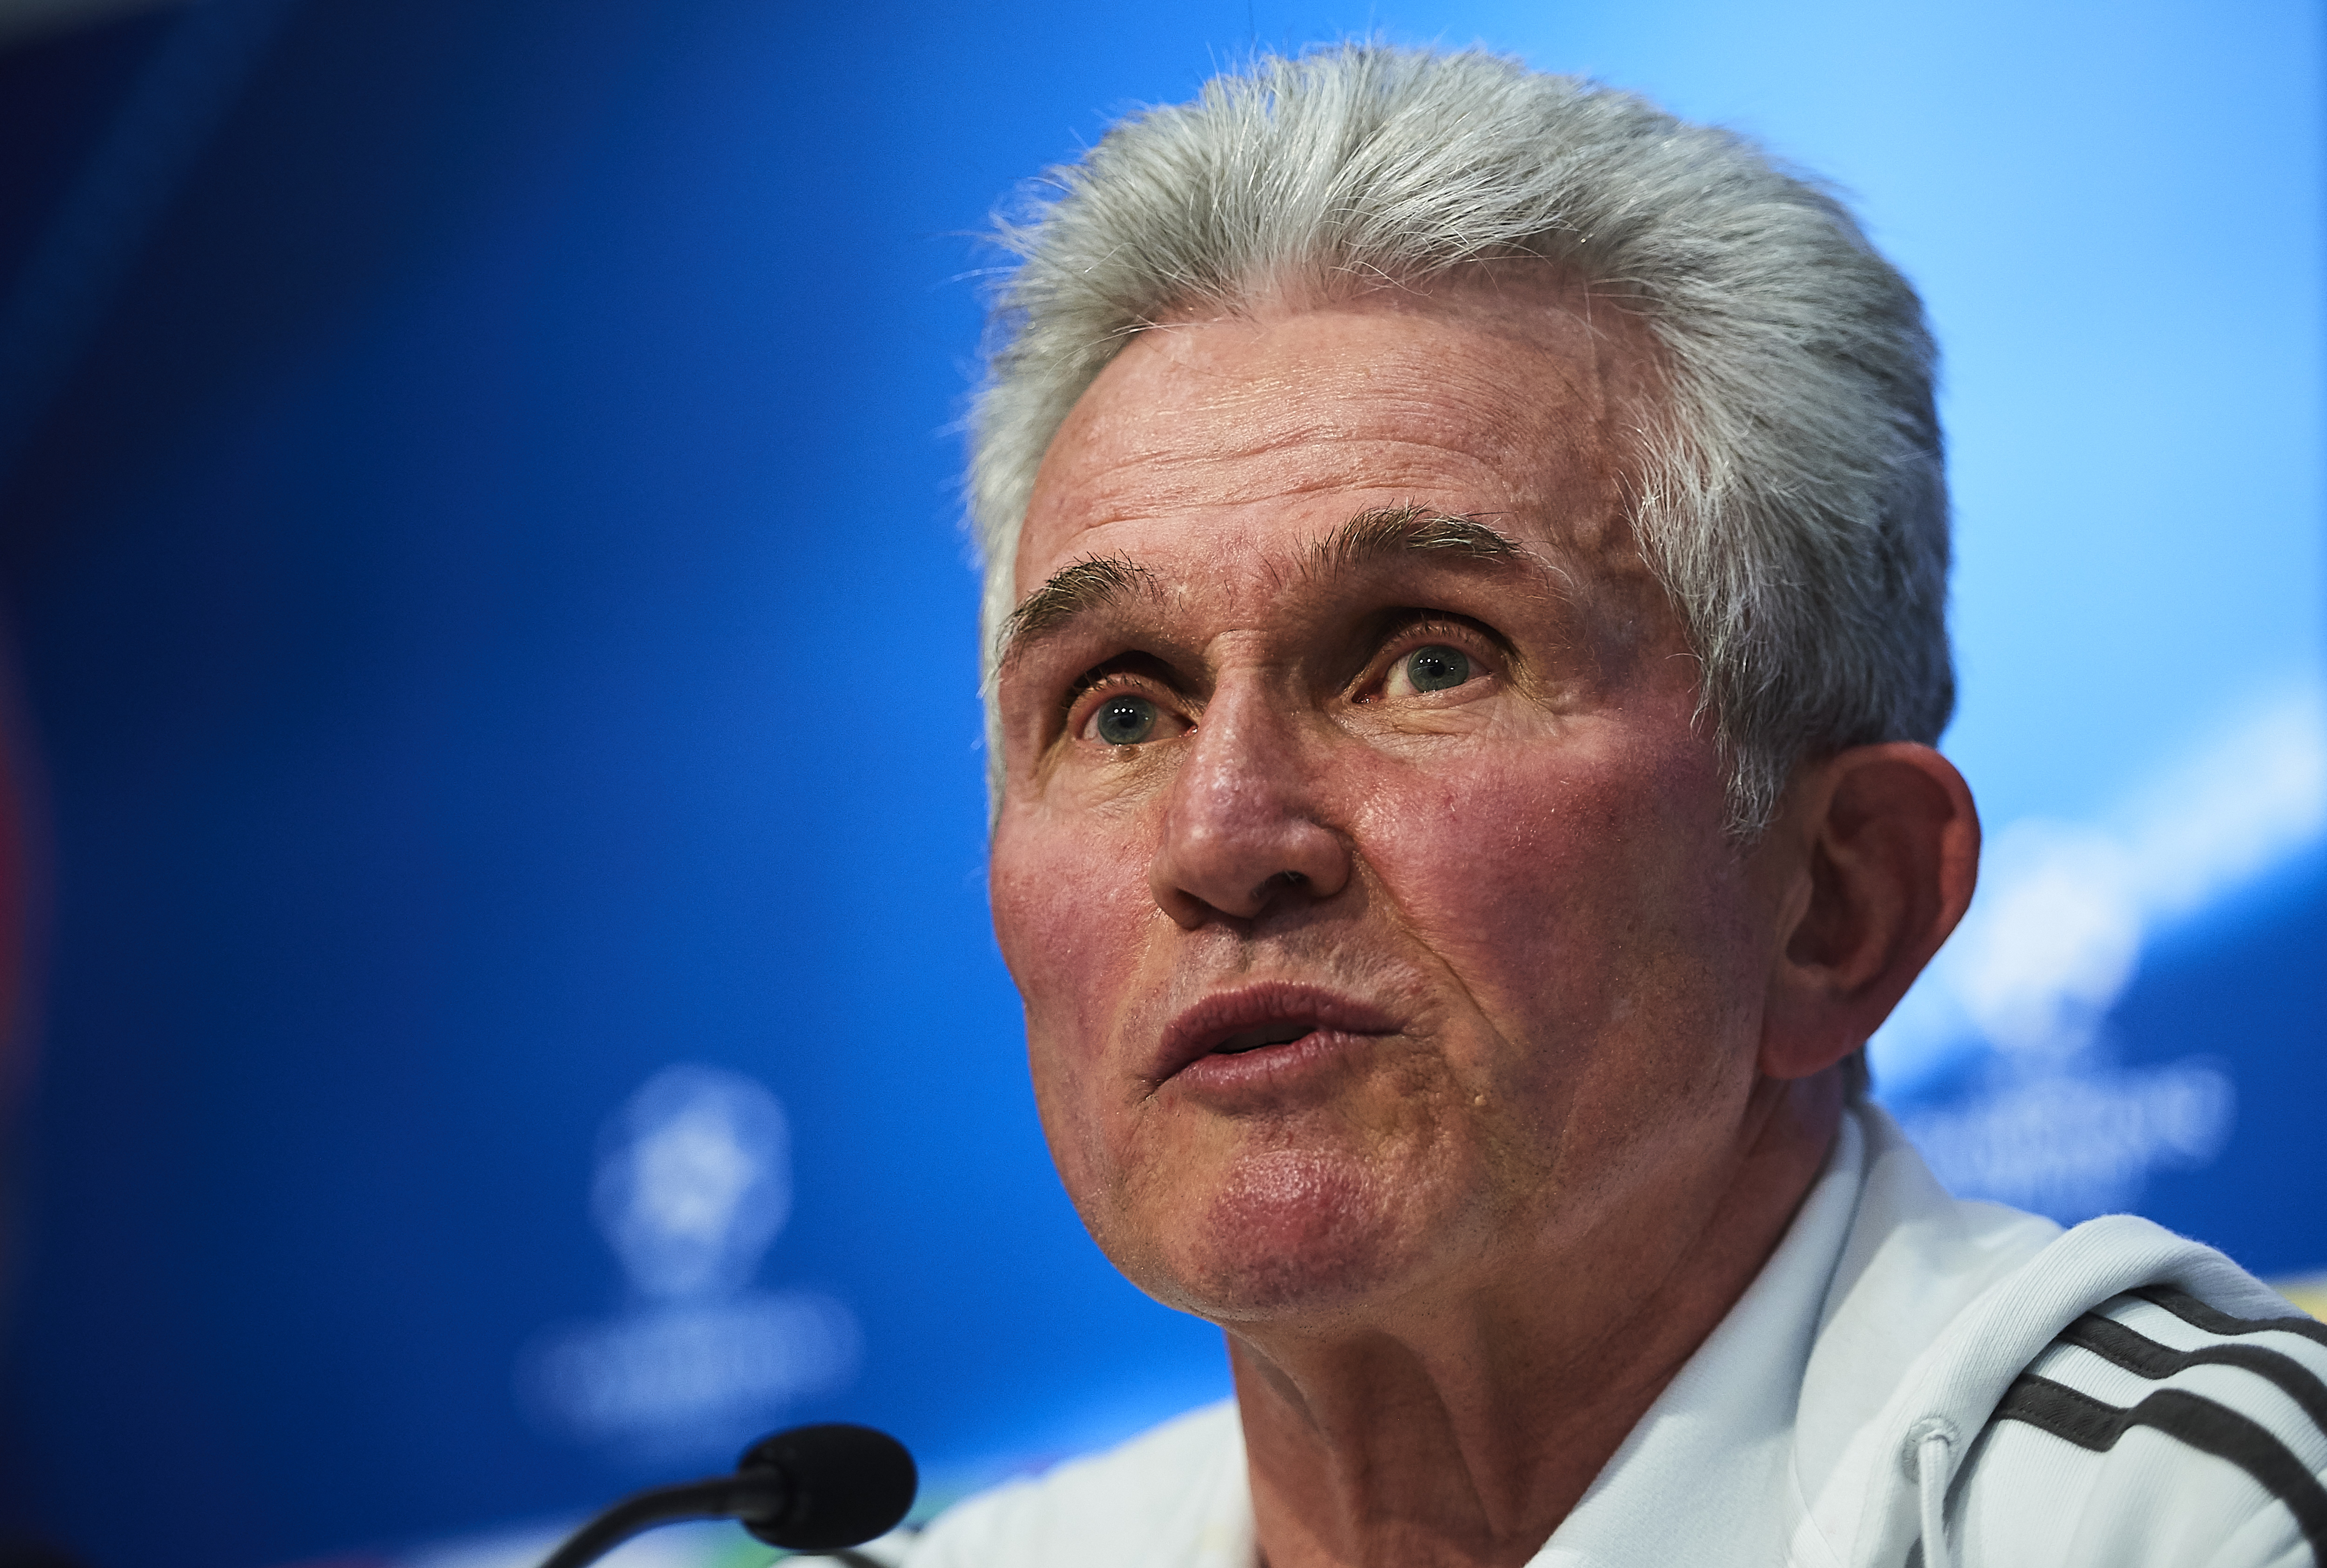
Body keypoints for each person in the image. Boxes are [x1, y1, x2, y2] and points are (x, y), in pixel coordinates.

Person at [901, 45, 2327, 1568]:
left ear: (1842, 900)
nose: (1225, 836)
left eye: (1429, 660)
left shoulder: (2180, 1519)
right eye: (1122, 707)